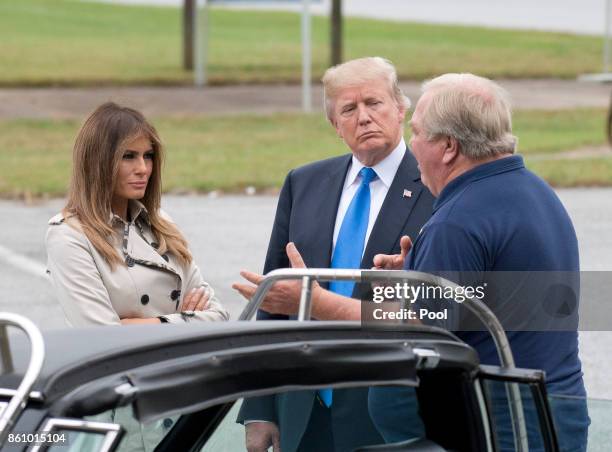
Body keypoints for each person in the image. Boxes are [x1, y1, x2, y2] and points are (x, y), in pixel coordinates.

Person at [244, 73, 589, 451]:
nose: (413, 144)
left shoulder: (460, 219)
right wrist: (417, 280)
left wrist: (312, 302)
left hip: (503, 425)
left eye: (419, 133)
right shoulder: (534, 191)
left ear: (449, 147)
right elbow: (479, 304)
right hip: (545, 412)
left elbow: (420, 328)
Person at [233, 57, 434, 452]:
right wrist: (260, 407)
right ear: (335, 126)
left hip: (389, 415)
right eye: (349, 109)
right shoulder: (304, 183)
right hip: (303, 409)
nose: (363, 118)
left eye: (374, 103)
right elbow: (273, 299)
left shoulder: (434, 185)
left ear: (400, 108)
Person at [46, 102, 229, 326]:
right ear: (97, 162)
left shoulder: (161, 222)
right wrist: (187, 321)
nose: (143, 168)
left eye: (148, 155)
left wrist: (150, 324)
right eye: (128, 156)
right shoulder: (68, 236)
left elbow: (218, 315)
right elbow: (101, 336)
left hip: (183, 359)